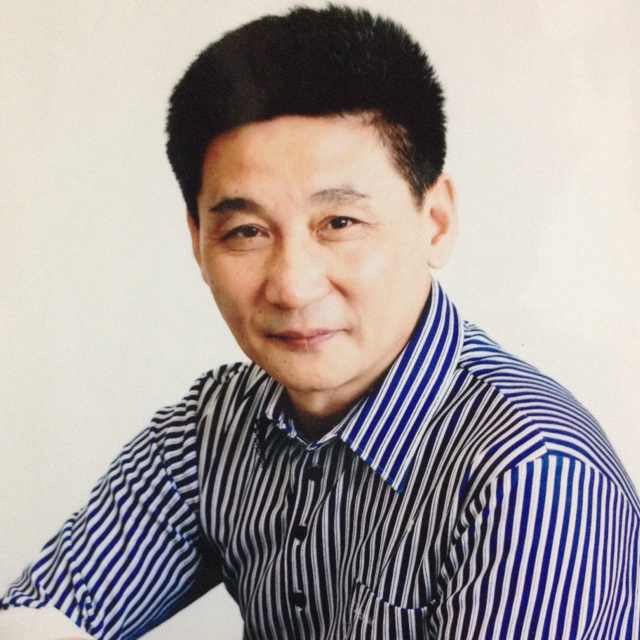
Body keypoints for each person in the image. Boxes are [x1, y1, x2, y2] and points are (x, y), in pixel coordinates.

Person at [2, 4, 638, 639]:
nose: (292, 285)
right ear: (197, 241)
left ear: (436, 221)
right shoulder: (211, 432)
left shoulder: (533, 473)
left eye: (339, 222)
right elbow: (36, 620)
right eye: (246, 231)